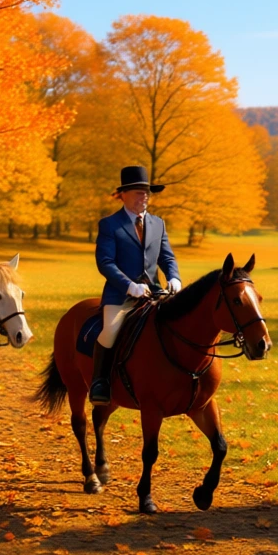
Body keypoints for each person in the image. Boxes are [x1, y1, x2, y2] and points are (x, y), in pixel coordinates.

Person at [90, 165, 182, 405]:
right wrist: (129, 286)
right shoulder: (109, 225)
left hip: (155, 292)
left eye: (147, 192)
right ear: (124, 195)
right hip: (121, 296)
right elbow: (105, 262)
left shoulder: (158, 223)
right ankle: (100, 381)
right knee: (110, 332)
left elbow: (167, 257)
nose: (145, 197)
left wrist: (174, 277)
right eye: (140, 192)